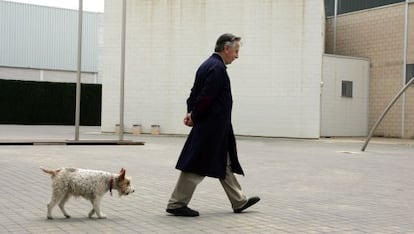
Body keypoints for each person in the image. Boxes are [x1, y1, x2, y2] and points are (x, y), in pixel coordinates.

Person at [166, 33, 260, 217]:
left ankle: (239, 201)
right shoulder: (217, 68)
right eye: (236, 51)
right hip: (211, 128)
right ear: (226, 48)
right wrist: (194, 115)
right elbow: (206, 97)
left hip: (214, 128)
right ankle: (176, 203)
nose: (237, 56)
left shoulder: (207, 65)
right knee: (196, 165)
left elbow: (194, 93)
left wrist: (190, 112)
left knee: (223, 164)